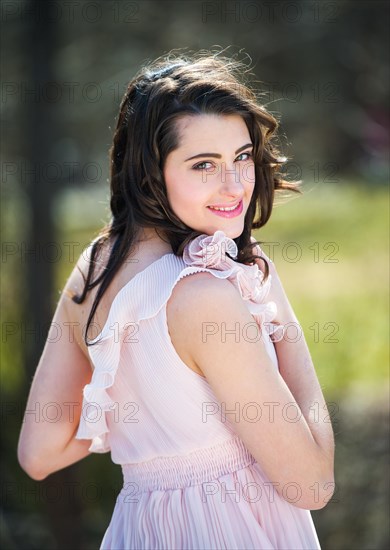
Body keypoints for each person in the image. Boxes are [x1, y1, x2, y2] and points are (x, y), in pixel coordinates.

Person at [17, 49, 335, 549]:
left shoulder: (95, 269)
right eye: (203, 165)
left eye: (243, 156)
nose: (235, 186)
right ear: (149, 172)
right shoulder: (204, 297)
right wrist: (273, 300)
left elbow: (40, 451)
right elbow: (312, 485)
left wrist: (153, 440)